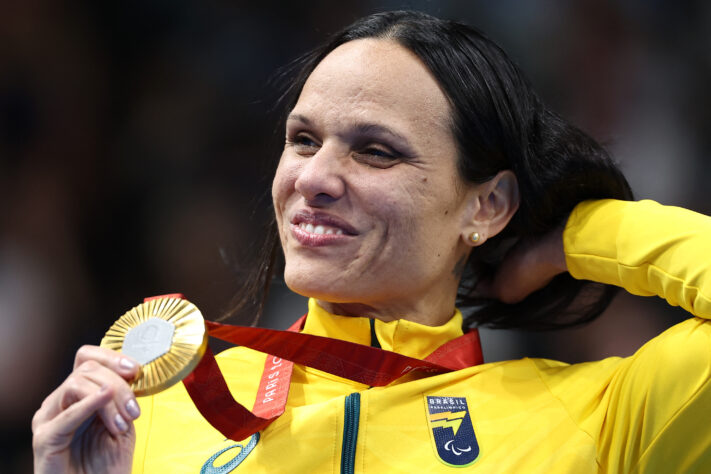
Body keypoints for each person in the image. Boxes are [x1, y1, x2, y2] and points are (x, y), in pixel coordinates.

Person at [32, 10, 711, 473]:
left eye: (376, 152)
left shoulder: (591, 418)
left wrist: (573, 235)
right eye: (303, 139)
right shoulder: (157, 408)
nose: (314, 177)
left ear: (487, 203)